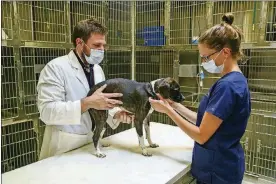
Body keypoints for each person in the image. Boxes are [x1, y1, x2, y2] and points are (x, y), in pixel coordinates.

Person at [149, 13, 251, 184]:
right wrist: (174, 106)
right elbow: (206, 122)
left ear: (225, 52)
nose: (203, 61)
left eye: (206, 57)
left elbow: (202, 135)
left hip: (217, 172)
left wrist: (168, 112)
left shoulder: (227, 86)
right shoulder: (235, 81)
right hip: (223, 165)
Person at [37, 18, 134, 160]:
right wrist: (86, 103)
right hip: (65, 145)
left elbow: (101, 102)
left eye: (103, 46)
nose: (101, 50)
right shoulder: (56, 68)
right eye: (97, 45)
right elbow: (46, 112)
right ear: (79, 43)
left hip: (92, 143)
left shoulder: (98, 70)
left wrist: (116, 114)